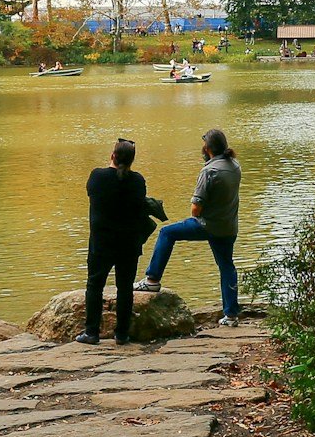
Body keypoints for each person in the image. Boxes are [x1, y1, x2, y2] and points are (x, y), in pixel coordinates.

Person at [137, 127, 241, 321]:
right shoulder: (235, 165)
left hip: (207, 225)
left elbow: (195, 209)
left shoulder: (209, 171)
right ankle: (232, 315)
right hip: (228, 227)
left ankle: (152, 280)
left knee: (167, 233)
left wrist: (198, 213)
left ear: (208, 149)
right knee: (227, 266)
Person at [81, 137, 161, 344]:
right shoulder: (137, 181)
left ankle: (91, 332)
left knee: (95, 284)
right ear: (132, 160)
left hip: (101, 244)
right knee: (125, 287)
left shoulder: (98, 177)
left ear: (113, 156)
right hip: (129, 243)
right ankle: (122, 334)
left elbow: (93, 192)